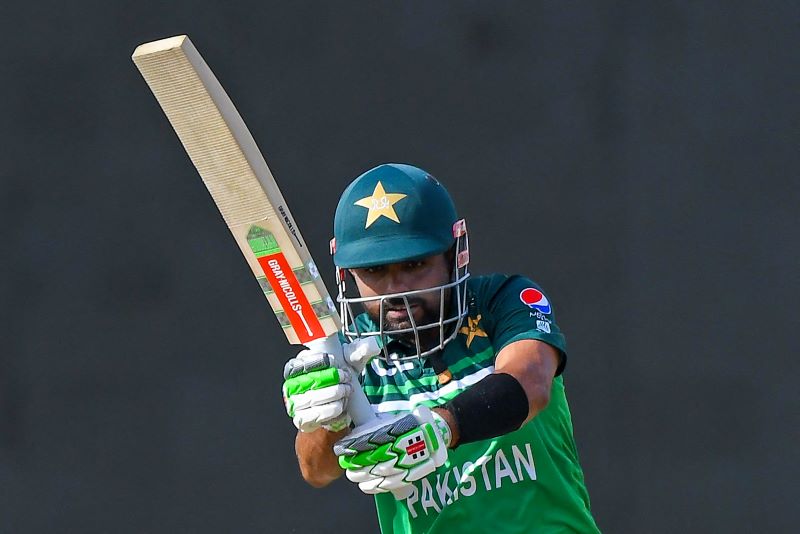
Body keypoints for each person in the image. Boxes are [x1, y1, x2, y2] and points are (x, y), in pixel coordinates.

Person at [282, 163, 600, 533]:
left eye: (415, 264)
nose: (396, 290)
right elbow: (316, 470)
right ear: (347, 271)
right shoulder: (352, 354)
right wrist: (329, 418)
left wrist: (440, 428)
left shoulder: (502, 301)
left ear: (454, 253)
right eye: (374, 271)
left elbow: (531, 383)